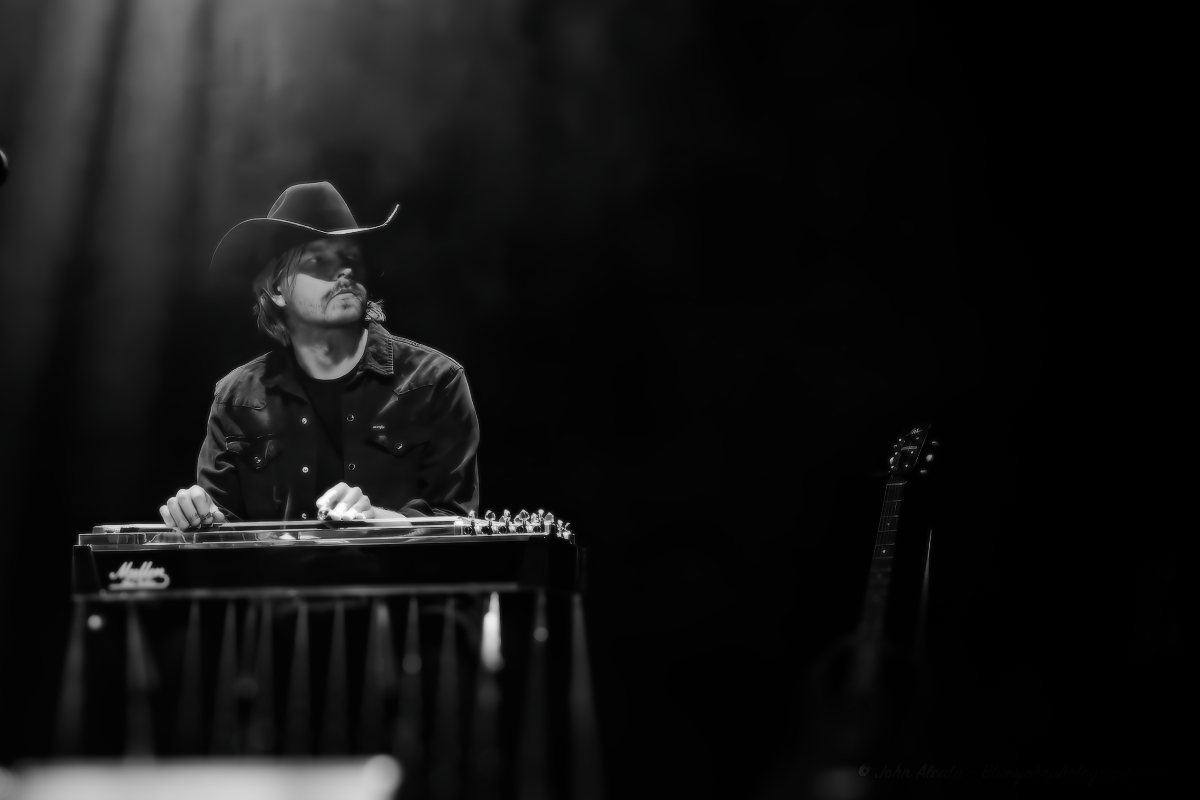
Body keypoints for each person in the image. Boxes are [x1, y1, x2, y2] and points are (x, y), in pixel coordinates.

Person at [159, 181, 480, 530]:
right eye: (318, 259)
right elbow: (222, 542)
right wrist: (197, 514)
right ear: (277, 289)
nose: (344, 271)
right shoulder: (236, 399)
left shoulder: (436, 382)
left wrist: (378, 521)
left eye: (350, 257)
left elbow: (459, 523)